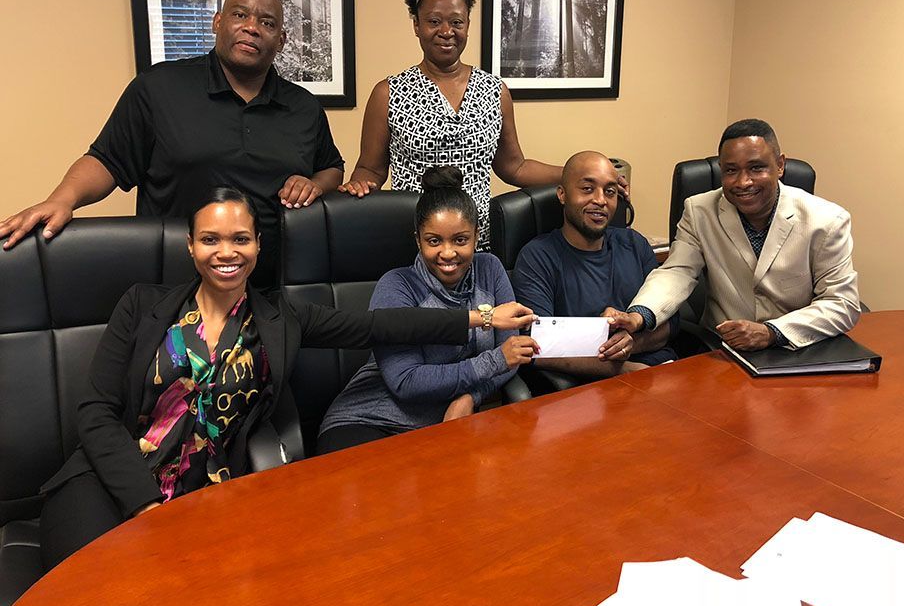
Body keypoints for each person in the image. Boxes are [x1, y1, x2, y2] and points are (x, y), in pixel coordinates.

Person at [38, 186, 535, 569]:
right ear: (190, 246)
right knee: (97, 590)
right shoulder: (142, 305)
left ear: (258, 246)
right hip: (109, 481)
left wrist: (480, 318)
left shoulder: (281, 318)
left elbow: (379, 326)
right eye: (210, 239)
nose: (226, 252)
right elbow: (96, 412)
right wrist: (145, 506)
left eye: (240, 239)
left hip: (208, 491)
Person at [0, 0, 344, 287]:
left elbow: (331, 167)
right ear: (218, 22)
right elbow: (108, 160)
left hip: (272, 293)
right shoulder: (159, 88)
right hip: (173, 290)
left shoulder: (304, 106)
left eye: (267, 23)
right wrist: (62, 199)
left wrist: (313, 183)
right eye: (240, 15)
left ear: (281, 40)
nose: (252, 28)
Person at [317, 166, 548, 454]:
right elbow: (406, 381)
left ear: (477, 236)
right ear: (418, 240)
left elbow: (512, 355)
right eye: (434, 241)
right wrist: (494, 362)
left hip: (443, 428)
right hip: (371, 420)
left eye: (460, 240)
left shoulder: (490, 269)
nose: (448, 253)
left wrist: (470, 397)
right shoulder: (397, 285)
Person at [337, 0, 564, 249]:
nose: (446, 31)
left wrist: (575, 173)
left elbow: (514, 167)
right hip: (416, 247)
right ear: (416, 25)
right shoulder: (388, 93)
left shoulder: (495, 91)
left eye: (457, 22)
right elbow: (370, 170)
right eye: (434, 21)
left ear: (467, 25)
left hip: (477, 246)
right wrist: (360, 185)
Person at [610, 119, 861, 351]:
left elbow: (842, 304)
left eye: (756, 168)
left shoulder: (827, 220)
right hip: (723, 350)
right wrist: (639, 315)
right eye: (731, 170)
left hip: (798, 350)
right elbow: (677, 272)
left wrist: (772, 332)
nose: (743, 182)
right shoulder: (699, 211)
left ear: (780, 165)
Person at [512, 152, 677, 381]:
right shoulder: (537, 257)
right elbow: (538, 345)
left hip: (662, 371)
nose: (600, 200)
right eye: (588, 189)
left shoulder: (635, 244)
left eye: (610, 192)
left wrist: (631, 343)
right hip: (592, 385)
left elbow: (670, 324)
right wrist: (626, 369)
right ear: (562, 194)